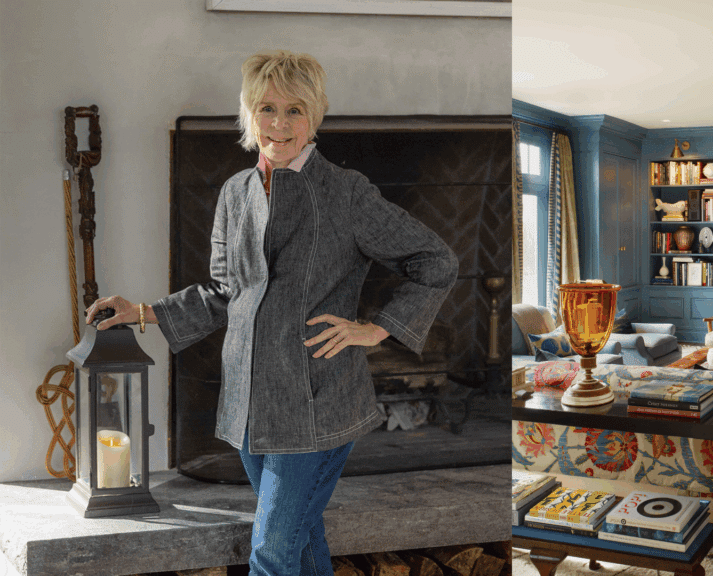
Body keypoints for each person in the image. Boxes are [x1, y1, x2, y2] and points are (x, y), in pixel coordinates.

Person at [85, 50, 458, 576]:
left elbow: (434, 259)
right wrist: (143, 311)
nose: (279, 125)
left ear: (315, 117)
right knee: (302, 541)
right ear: (248, 114)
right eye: (266, 108)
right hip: (248, 400)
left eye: (295, 111)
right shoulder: (234, 193)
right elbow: (224, 291)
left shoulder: (346, 192)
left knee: (272, 554)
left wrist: (376, 329)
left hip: (317, 400)